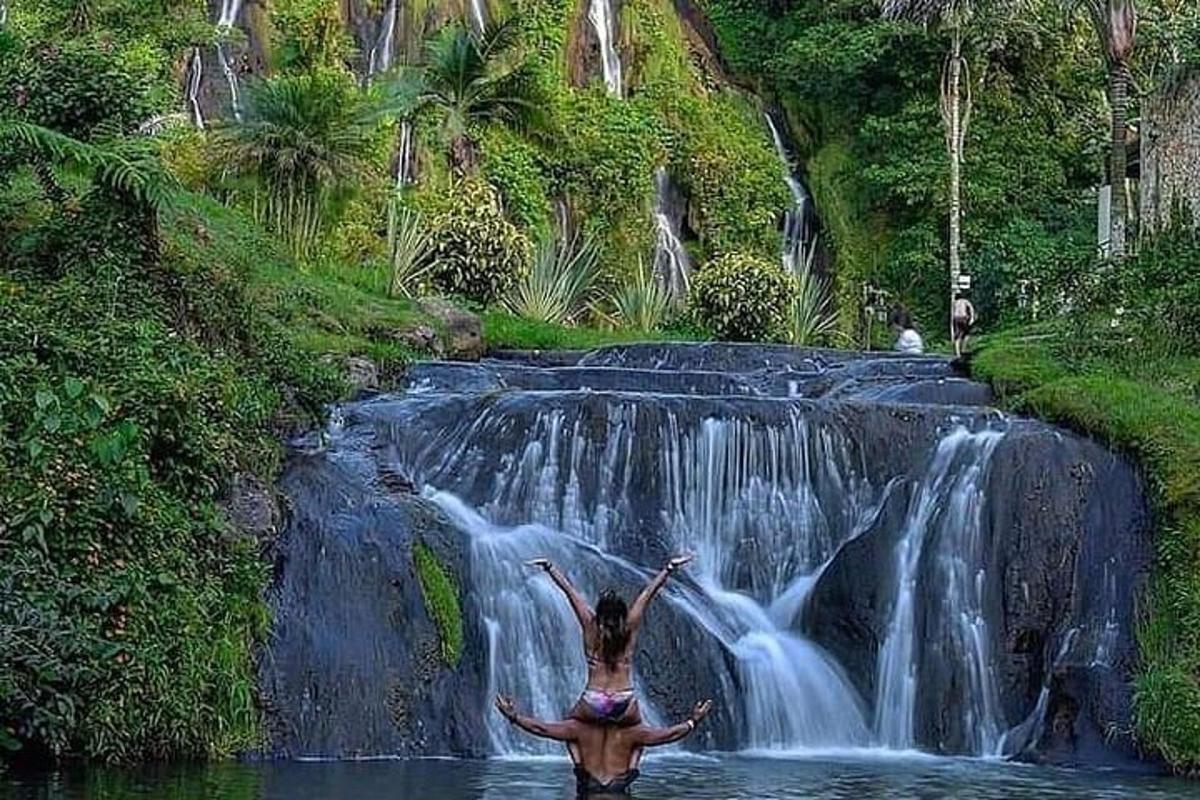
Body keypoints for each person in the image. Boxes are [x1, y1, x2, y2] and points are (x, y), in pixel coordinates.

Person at [525, 554, 694, 726]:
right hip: (623, 698)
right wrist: (669, 569)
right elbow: (648, 594)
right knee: (638, 736)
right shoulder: (629, 627)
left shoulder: (590, 625)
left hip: (594, 699)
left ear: (599, 612)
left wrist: (549, 568)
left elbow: (570, 592)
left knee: (570, 730)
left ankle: (579, 754)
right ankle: (633, 754)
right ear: (622, 613)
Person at [495, 694, 712, 797]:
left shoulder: (578, 729)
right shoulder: (633, 732)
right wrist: (694, 720)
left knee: (570, 739)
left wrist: (513, 717)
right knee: (638, 747)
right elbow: (669, 735)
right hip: (619, 786)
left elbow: (541, 729)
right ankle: (632, 768)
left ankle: (583, 764)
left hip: (588, 785)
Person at [951, 292, 977, 358]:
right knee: (967, 334)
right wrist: (972, 318)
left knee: (958, 336)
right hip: (963, 318)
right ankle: (963, 349)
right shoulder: (966, 301)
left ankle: (958, 353)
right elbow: (971, 309)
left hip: (956, 318)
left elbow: (953, 312)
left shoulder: (955, 302)